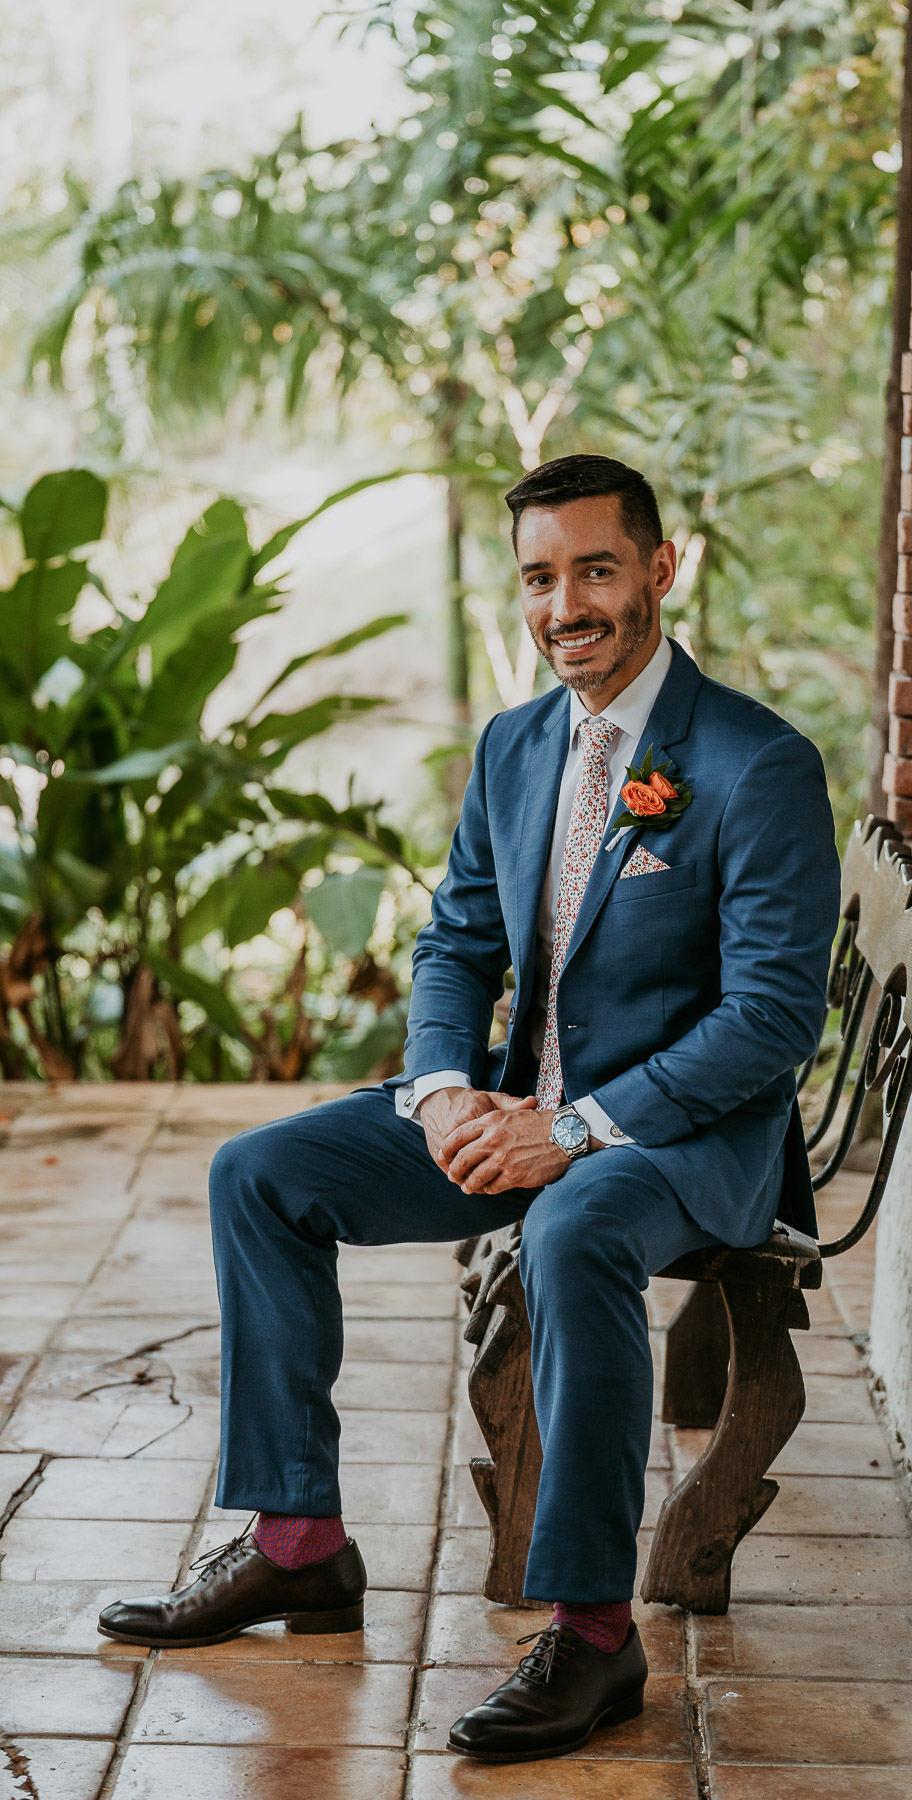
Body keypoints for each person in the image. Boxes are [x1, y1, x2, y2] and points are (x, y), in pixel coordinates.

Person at [96, 453, 840, 1763]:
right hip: (514, 1102)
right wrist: (444, 1090)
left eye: (597, 570)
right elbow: (455, 948)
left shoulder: (754, 764)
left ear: (662, 571)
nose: (566, 605)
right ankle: (297, 1543)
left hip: (686, 1137)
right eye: (540, 577)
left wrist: (577, 1127)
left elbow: (773, 1021)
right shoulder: (512, 746)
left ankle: (596, 1638)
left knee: (572, 1229)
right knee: (259, 1173)